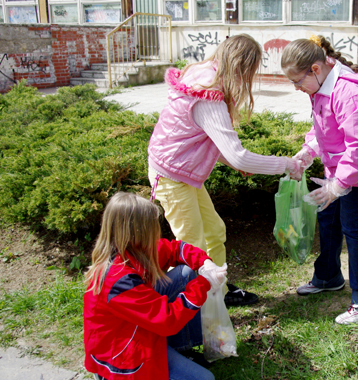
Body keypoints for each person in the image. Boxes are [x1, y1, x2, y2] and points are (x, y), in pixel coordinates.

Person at [147, 34, 302, 307]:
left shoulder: (206, 75)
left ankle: (217, 289)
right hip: (172, 176)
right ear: (243, 67)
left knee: (214, 232)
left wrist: (232, 161)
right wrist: (287, 164)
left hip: (183, 173)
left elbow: (204, 141)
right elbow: (239, 157)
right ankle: (192, 308)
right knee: (191, 245)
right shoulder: (209, 96)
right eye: (251, 71)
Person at [280, 35, 358, 325]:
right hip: (340, 169)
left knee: (355, 230)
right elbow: (323, 127)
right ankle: (329, 276)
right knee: (329, 220)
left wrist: (339, 185)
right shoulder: (320, 88)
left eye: (297, 81)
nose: (296, 88)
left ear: (315, 69)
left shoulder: (349, 93)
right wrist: (307, 153)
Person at [83, 192, 228, 380]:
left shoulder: (135, 251)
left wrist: (203, 263)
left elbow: (175, 249)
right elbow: (167, 320)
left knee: (186, 274)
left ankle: (180, 348)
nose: (157, 231)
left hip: (138, 328)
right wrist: (204, 283)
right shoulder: (118, 280)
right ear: (137, 232)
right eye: (153, 227)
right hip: (123, 355)